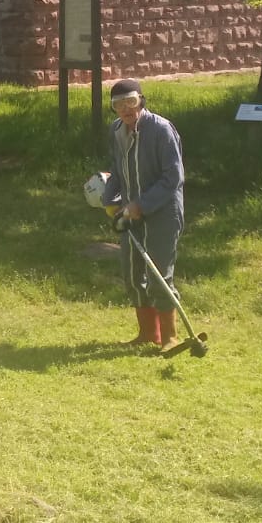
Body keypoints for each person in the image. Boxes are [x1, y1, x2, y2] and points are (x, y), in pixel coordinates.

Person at [102, 77, 184, 349]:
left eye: (131, 101)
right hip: (129, 212)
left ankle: (170, 338)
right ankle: (148, 334)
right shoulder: (116, 130)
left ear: (141, 101)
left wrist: (142, 205)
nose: (126, 109)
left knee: (160, 274)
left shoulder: (161, 129)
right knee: (133, 274)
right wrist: (109, 199)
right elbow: (117, 169)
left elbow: (173, 178)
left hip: (163, 212)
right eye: (118, 104)